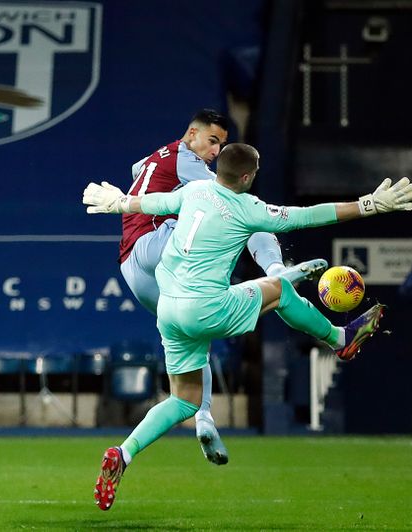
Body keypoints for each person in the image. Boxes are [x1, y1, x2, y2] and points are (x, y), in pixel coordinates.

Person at [82, 143, 412, 511]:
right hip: (207, 308)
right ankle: (341, 338)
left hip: (169, 309)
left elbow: (152, 203)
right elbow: (308, 216)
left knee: (183, 399)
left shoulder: (193, 190)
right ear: (246, 176)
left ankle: (123, 453)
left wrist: (118, 202)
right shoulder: (248, 208)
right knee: (282, 290)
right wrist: (369, 204)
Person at [116, 109, 324, 466]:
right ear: (191, 134)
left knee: (197, 330)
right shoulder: (190, 164)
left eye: (221, 144)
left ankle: (203, 416)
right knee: (240, 215)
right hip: (152, 247)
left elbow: (139, 169)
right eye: (212, 141)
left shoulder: (160, 156)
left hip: (134, 268)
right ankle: (277, 271)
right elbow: (236, 208)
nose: (215, 151)